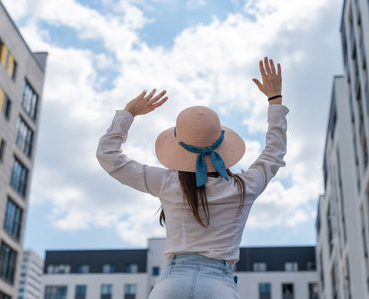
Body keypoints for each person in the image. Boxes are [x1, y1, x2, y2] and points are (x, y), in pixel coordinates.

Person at [96, 57, 289, 299]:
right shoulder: (244, 187)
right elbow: (273, 154)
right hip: (219, 285)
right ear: (222, 145)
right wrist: (275, 101)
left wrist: (128, 114)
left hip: (170, 285)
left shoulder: (167, 183)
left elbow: (108, 157)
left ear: (179, 149)